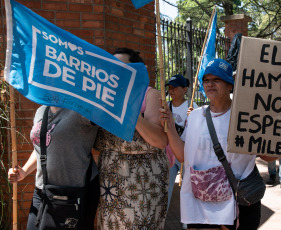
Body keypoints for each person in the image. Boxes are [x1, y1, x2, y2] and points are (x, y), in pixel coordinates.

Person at [160, 58, 281, 229]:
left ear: (230, 85)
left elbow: (267, 156)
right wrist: (171, 128)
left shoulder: (247, 118)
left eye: (216, 79)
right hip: (201, 204)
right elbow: (182, 156)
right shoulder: (196, 116)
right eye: (206, 80)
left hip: (238, 202)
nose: (210, 84)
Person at [95, 48, 169, 230]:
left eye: (122, 67)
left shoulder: (150, 94)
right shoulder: (104, 96)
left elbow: (160, 141)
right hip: (111, 185)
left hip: (144, 186)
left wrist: (127, 110)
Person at [8, 106, 99, 230]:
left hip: (75, 194)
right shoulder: (41, 111)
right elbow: (41, 148)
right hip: (43, 190)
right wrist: (24, 171)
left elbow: (105, 113)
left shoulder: (82, 108)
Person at [165, 74, 198, 209]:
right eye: (170, 87)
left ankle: (187, 223)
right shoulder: (166, 106)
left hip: (187, 155)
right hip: (169, 153)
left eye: (174, 87)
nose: (171, 90)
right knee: (166, 189)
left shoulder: (192, 107)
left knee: (188, 189)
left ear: (184, 89)